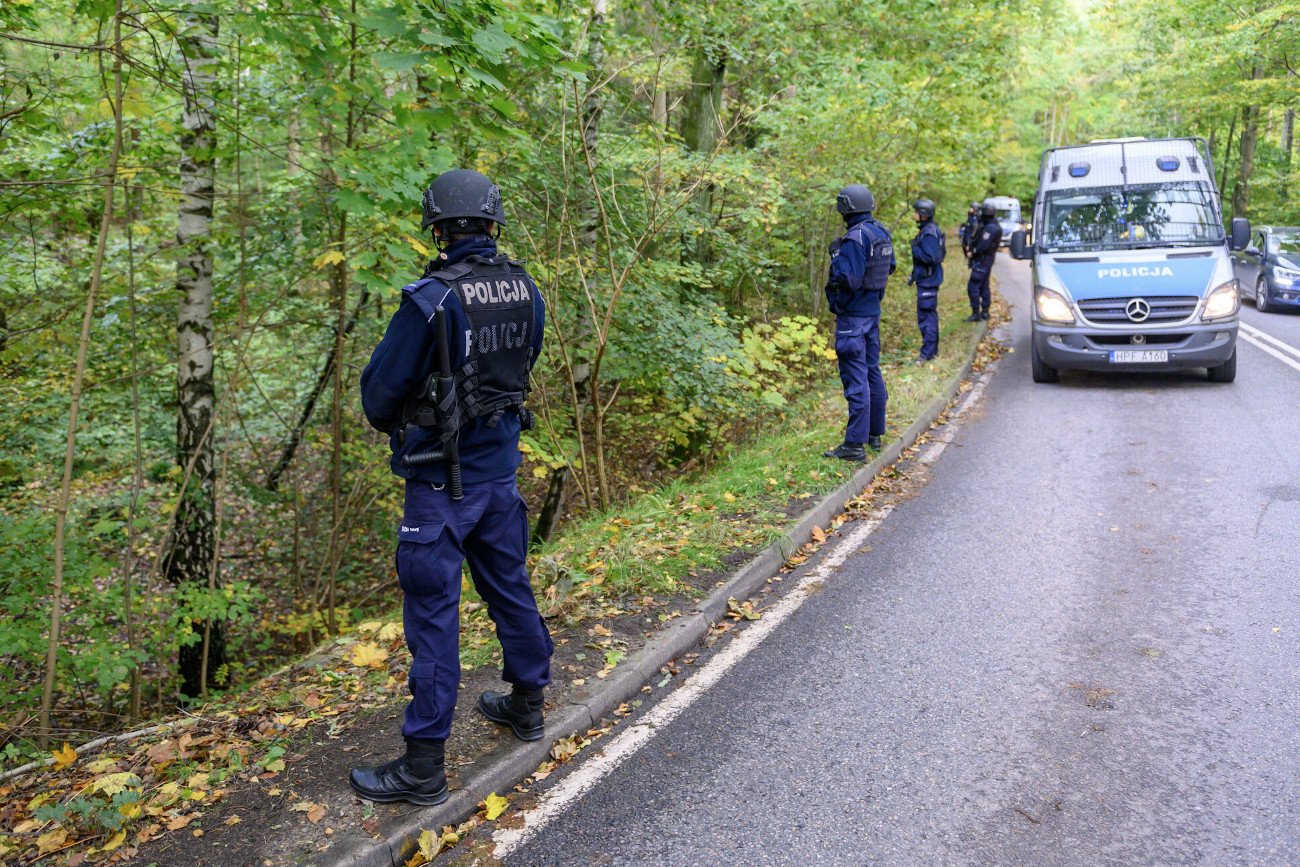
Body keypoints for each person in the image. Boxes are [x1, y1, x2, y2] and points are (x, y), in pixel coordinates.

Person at [351, 169, 554, 806]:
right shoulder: (527, 290)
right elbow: (522, 367)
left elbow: (379, 397)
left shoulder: (431, 300)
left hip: (440, 484)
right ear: (492, 224)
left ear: (437, 230)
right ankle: (527, 704)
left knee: (434, 618)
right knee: (510, 587)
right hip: (500, 476)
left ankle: (423, 767)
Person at [822, 184, 895, 462]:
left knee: (856, 377)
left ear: (846, 207)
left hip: (853, 317)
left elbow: (849, 279)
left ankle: (854, 445)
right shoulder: (880, 232)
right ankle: (874, 434)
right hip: (872, 314)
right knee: (872, 372)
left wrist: (836, 255)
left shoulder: (855, 237)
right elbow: (890, 267)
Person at [908, 198, 945, 363]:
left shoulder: (929, 233)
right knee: (929, 315)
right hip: (927, 279)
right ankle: (932, 351)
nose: (914, 215)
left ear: (923, 214)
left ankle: (927, 353)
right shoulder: (928, 229)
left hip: (928, 281)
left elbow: (931, 257)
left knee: (926, 317)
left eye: (916, 212)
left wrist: (915, 249)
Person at [965, 199, 1002, 322]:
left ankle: (976, 313)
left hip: (982, 260)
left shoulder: (991, 228)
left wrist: (973, 252)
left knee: (973, 286)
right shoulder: (989, 225)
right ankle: (985, 311)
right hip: (986, 260)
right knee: (984, 285)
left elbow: (984, 245)